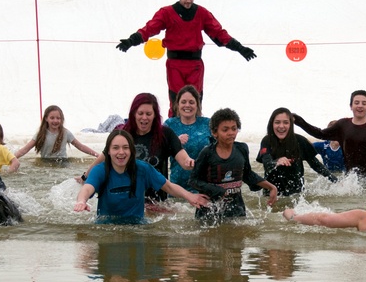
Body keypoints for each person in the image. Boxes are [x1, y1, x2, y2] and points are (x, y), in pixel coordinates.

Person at [115, 0, 257, 116]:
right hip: (175, 64)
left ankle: (196, 129)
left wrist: (240, 48)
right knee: (177, 100)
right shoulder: (166, 13)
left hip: (195, 64)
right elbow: (150, 28)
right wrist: (131, 41)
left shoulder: (202, 13)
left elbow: (219, 33)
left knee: (194, 99)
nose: (188, 1)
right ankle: (175, 131)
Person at [74, 129, 209, 224]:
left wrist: (190, 196)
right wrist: (81, 201)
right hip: (106, 228)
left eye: (125, 147)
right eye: (115, 148)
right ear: (108, 151)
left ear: (132, 150)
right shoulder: (100, 170)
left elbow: (168, 186)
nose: (121, 152)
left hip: (138, 226)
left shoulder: (142, 169)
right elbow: (87, 188)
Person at [292, 90, 366, 178]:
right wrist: (299, 121)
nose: (360, 106)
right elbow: (320, 133)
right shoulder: (342, 125)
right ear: (351, 106)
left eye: (364, 103)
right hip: (351, 180)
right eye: (357, 102)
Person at [190, 108, 278, 222]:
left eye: (234, 128)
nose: (231, 133)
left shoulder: (242, 149)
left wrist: (271, 187)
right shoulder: (207, 153)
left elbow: (248, 174)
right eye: (225, 130)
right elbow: (193, 180)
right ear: (214, 132)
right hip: (209, 212)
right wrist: (216, 190)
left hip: (237, 210)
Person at [257, 107, 337, 196]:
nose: (281, 126)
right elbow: (267, 163)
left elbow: (316, 165)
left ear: (291, 124)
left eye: (286, 122)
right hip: (271, 194)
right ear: (272, 124)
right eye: (277, 122)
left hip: (296, 195)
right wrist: (277, 161)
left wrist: (336, 181)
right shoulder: (267, 141)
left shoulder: (300, 141)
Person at [163, 85, 211, 189]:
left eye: (191, 102)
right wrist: (174, 142)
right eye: (183, 102)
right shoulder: (169, 124)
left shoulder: (208, 124)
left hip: (203, 186)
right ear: (178, 104)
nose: (187, 105)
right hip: (176, 187)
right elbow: (159, 151)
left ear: (197, 105)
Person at [14, 105, 98, 162]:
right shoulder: (40, 134)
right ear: (46, 119)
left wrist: (97, 155)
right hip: (45, 163)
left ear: (61, 120)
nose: (55, 121)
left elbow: (81, 146)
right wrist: (11, 158)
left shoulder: (66, 133)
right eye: (52, 118)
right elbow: (25, 149)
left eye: (58, 118)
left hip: (62, 163)